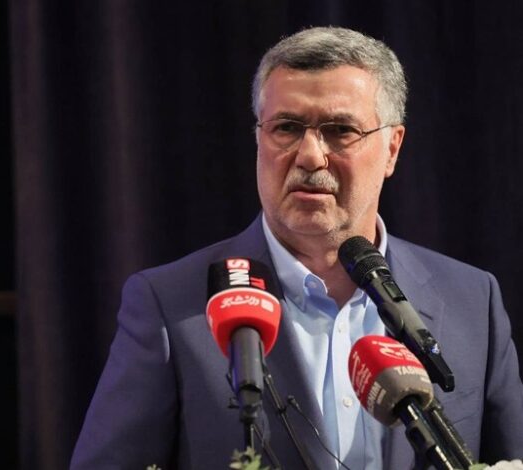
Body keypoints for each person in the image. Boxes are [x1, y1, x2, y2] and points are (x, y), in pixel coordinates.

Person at [71, 27, 523, 469]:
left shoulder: (471, 301)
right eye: (286, 127)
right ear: (258, 138)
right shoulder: (171, 305)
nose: (309, 155)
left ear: (392, 148)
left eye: (340, 130)